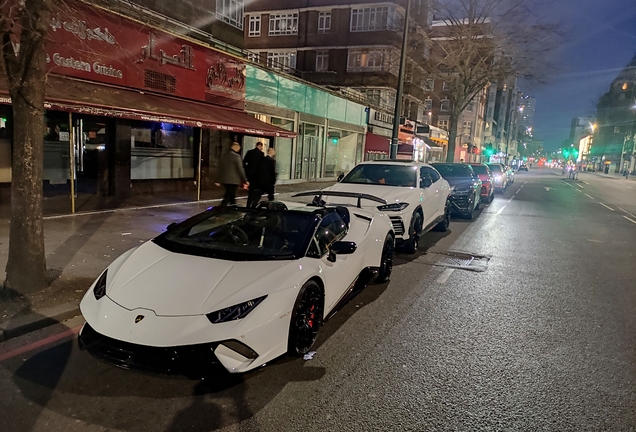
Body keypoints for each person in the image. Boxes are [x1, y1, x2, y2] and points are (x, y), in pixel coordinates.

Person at [215, 142, 248, 206]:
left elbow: (220, 168)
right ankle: (222, 207)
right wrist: (245, 180)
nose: (239, 150)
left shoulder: (223, 156)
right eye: (238, 148)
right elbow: (240, 169)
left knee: (231, 194)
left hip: (224, 179)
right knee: (228, 195)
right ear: (236, 147)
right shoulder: (237, 156)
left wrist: (217, 179)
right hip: (233, 180)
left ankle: (233, 205)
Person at [243, 142, 264, 207]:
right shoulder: (261, 154)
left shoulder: (249, 152)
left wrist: (247, 169)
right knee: (257, 190)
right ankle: (253, 204)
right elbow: (261, 165)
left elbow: (244, 162)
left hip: (250, 174)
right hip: (257, 175)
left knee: (251, 190)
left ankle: (248, 204)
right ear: (260, 146)